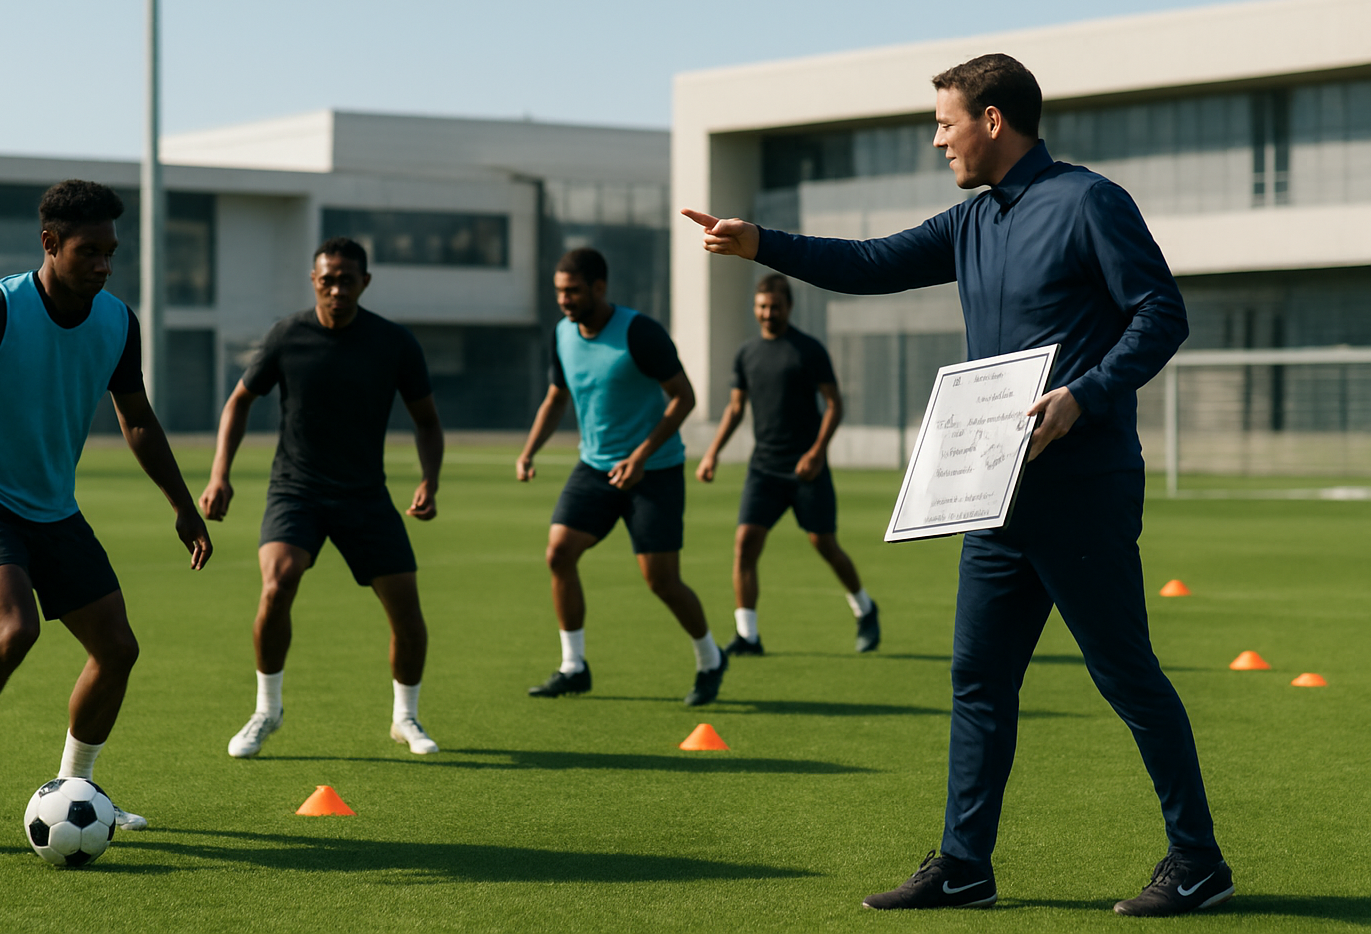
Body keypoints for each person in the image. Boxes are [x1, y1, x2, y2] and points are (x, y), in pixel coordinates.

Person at [685, 54, 1231, 917]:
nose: (936, 138)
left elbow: (1162, 313)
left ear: (991, 121)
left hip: (1081, 487)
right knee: (977, 680)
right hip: (993, 493)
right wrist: (759, 245)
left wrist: (1084, 397)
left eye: (945, 122)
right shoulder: (974, 221)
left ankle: (1197, 861)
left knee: (1125, 675)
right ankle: (965, 863)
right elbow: (869, 261)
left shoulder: (1090, 202)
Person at [0, 179, 213, 853]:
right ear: (50, 243)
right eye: (90, 250)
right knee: (16, 627)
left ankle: (76, 790)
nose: (105, 265)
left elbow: (136, 420)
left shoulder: (118, 321)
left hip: (52, 507)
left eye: (112, 251)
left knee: (117, 648)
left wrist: (183, 505)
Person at [200, 237, 444, 758]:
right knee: (277, 584)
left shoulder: (393, 343)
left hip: (365, 496)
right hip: (297, 490)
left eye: (347, 279)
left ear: (365, 282)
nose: (337, 288)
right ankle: (267, 710)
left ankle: (406, 716)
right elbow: (239, 403)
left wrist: (430, 480)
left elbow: (426, 420)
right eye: (327, 279)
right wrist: (220, 474)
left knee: (405, 609)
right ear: (314, 280)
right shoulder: (287, 336)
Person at [517, 247, 728, 706]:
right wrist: (529, 450)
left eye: (573, 291)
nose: (564, 300)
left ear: (599, 287)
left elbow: (683, 397)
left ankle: (711, 658)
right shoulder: (562, 334)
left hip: (654, 471)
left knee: (661, 581)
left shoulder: (640, 332)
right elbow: (556, 397)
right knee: (559, 553)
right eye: (559, 292)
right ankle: (574, 666)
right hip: (594, 467)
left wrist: (640, 455)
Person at [696, 274, 878, 655]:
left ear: (788, 307)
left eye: (774, 306)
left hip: (806, 469)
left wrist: (816, 453)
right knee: (745, 543)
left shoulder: (808, 350)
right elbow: (734, 408)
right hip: (763, 468)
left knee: (824, 543)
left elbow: (834, 404)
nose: (767, 313)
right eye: (761, 307)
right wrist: (712, 452)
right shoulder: (746, 353)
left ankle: (864, 608)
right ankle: (748, 636)